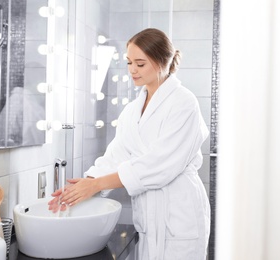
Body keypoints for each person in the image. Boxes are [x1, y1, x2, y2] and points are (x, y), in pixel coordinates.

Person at [49, 28, 210, 260]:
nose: (132, 70)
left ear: (163, 61)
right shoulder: (132, 110)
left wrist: (95, 186)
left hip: (178, 215)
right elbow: (116, 155)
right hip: (148, 219)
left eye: (140, 64)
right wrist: (83, 186)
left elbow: (160, 165)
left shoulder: (184, 103)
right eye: (129, 62)